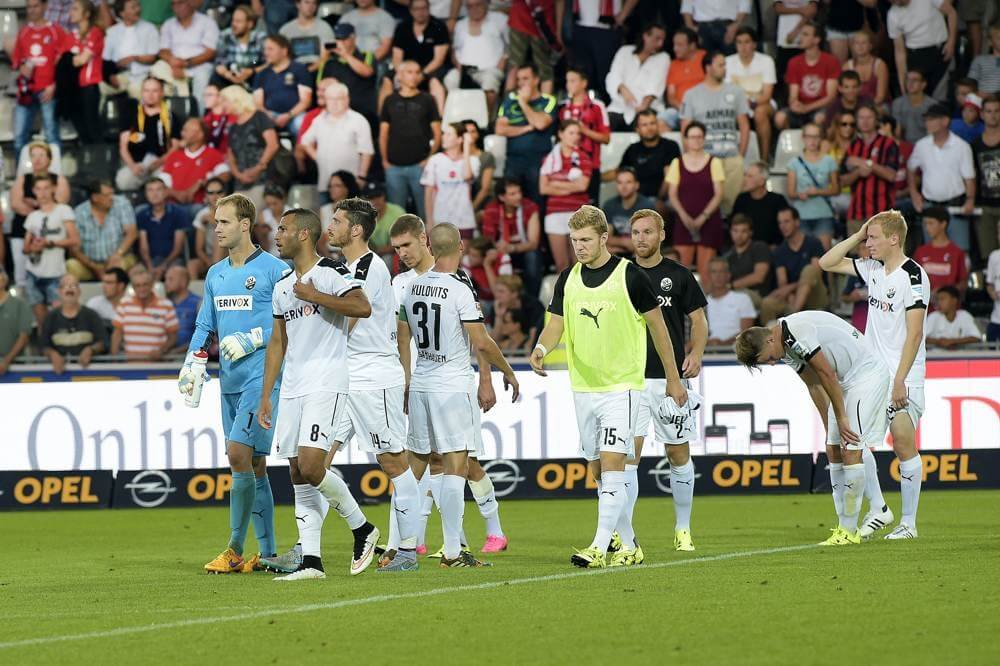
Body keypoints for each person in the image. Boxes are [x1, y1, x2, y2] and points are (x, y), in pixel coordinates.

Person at [530, 205, 687, 568]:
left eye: (586, 240)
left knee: (615, 463)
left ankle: (600, 547)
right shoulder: (567, 278)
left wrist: (673, 378)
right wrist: (540, 348)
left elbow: (658, 328)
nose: (579, 247)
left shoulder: (629, 275)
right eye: (574, 241)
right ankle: (630, 545)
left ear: (603, 238)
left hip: (623, 387)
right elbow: (556, 324)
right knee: (598, 470)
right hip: (584, 387)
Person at [255, 206, 380, 580]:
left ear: (304, 234)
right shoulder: (281, 287)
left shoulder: (330, 272)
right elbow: (278, 342)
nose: (276, 235)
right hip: (293, 387)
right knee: (297, 471)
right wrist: (267, 395)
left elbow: (362, 306)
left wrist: (315, 295)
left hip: (327, 381)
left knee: (312, 466)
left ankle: (362, 528)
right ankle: (312, 561)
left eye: (283, 229)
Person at [179, 193, 290, 573]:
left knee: (237, 455)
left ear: (245, 224)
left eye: (223, 221)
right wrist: (193, 360)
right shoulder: (216, 273)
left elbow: (291, 321)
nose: (217, 228)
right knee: (255, 464)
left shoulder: (276, 271)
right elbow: (205, 324)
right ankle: (270, 552)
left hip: (262, 379)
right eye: (215, 222)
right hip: (229, 380)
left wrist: (255, 338)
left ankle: (234, 549)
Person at [389, 214, 512, 555]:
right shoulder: (422, 284)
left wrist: (485, 379)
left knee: (430, 464)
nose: (403, 253)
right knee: (446, 463)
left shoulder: (419, 286)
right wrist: (508, 372)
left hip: (428, 383)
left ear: (426, 241)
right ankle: (444, 545)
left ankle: (422, 542)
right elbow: (481, 339)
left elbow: (404, 334)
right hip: (443, 384)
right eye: (397, 248)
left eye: (407, 245)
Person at [319, 198, 424, 573]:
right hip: (345, 377)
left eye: (337, 221)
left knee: (393, 462)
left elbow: (353, 314)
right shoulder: (343, 267)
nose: (329, 226)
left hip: (374, 377)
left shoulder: (369, 267)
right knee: (313, 464)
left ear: (357, 230)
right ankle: (347, 534)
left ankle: (408, 550)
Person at [735, 309, 893, 545]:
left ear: (769, 339)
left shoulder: (794, 333)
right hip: (846, 381)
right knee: (834, 449)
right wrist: (829, 425)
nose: (772, 362)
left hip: (866, 375)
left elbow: (826, 373)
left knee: (851, 447)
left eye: (767, 358)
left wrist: (841, 418)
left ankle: (849, 531)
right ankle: (858, 519)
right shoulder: (784, 346)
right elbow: (814, 385)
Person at [820, 210, 931, 539]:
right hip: (870, 374)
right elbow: (827, 262)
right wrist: (857, 235)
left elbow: (914, 334)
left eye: (873, 238)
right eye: (867, 238)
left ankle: (908, 524)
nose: (868, 244)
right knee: (856, 442)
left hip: (903, 375)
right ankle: (880, 509)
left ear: (894, 239)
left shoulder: (913, 276)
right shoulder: (872, 269)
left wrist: (900, 379)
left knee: (902, 442)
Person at [630, 208, 707, 552]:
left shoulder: (678, 275)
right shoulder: (621, 275)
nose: (641, 238)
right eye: (635, 232)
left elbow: (699, 320)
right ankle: (624, 533)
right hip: (629, 381)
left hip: (669, 379)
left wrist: (697, 352)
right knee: (626, 458)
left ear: (662, 235)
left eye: (647, 231)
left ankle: (683, 528)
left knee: (678, 454)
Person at [680, 50, 750, 213]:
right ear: (708, 67)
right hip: (704, 159)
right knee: (704, 207)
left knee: (732, 208)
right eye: (720, 65)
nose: (725, 68)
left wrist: (740, 155)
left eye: (725, 64)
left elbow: (744, 125)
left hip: (731, 158)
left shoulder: (736, 92)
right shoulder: (691, 95)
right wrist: (691, 159)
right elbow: (685, 129)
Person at [908, 103, 977, 253]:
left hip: (956, 206)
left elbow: (969, 178)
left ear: (945, 121)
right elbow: (911, 168)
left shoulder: (961, 146)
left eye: (932, 119)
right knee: (932, 252)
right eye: (926, 119)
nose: (927, 123)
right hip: (930, 206)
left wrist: (970, 200)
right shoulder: (921, 146)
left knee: (960, 253)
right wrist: (914, 194)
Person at [379, 61, 442, 220]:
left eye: (417, 72)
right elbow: (383, 133)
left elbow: (437, 133)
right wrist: (385, 161)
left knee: (426, 213)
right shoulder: (389, 100)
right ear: (399, 75)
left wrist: (428, 159)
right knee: (396, 217)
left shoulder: (428, 100)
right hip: (394, 167)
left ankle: (427, 244)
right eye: (409, 72)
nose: (414, 76)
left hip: (420, 165)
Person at [9, 143, 72, 289]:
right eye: (34, 155)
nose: (37, 159)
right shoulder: (22, 179)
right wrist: (40, 211)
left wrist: (33, 204)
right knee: (22, 272)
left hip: (52, 234)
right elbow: (16, 205)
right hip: (22, 230)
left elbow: (60, 204)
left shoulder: (59, 180)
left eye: (41, 155)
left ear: (50, 159)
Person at [666, 121, 725, 278]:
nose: (696, 140)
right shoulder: (677, 162)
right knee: (679, 272)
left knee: (707, 273)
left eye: (699, 136)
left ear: (704, 139)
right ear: (686, 139)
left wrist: (703, 217)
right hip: (684, 221)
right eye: (692, 137)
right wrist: (683, 216)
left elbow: (719, 193)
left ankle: (707, 303)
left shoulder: (715, 162)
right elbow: (672, 194)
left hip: (709, 221)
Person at [496, 63, 557, 206]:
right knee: (510, 202)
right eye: (518, 79)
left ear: (536, 80)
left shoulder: (548, 100)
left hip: (538, 161)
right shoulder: (509, 101)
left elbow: (541, 123)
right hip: (513, 160)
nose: (521, 83)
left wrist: (523, 102)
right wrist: (526, 129)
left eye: (525, 78)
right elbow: (500, 129)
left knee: (537, 203)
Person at [11, 0, 67, 157]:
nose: (32, 10)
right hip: (26, 91)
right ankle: (21, 179)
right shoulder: (23, 32)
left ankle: (55, 177)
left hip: (47, 90)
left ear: (44, 6)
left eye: (35, 6)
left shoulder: (55, 31)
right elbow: (17, 60)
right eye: (29, 6)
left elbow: (65, 63)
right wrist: (23, 67)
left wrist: (54, 86)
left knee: (52, 136)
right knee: (19, 137)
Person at [24, 174, 79, 330]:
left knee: (60, 322)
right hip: (33, 273)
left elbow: (75, 240)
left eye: (46, 188)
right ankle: (45, 352)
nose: (42, 193)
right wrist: (34, 247)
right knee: (42, 324)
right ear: (34, 190)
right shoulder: (32, 216)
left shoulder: (64, 210)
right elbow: (25, 248)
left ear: (54, 188)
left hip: (55, 274)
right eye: (39, 189)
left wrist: (50, 243)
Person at [300, 82, 375, 195]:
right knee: (325, 212)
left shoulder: (358, 120)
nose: (334, 103)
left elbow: (367, 151)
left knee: (350, 213)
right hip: (325, 184)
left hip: (350, 185)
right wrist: (317, 157)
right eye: (330, 99)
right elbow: (305, 141)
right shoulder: (319, 120)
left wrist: (362, 176)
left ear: (347, 99)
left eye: (338, 98)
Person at [540, 119, 594, 272]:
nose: (575, 137)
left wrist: (555, 184)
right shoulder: (549, 160)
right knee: (561, 265)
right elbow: (543, 188)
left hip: (577, 214)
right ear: (560, 134)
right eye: (571, 133)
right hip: (554, 214)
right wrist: (572, 187)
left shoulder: (584, 157)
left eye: (578, 133)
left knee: (579, 264)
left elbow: (583, 185)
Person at [759, 206, 828, 324]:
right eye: (780, 223)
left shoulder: (813, 243)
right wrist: (790, 293)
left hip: (815, 295)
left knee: (809, 270)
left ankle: (793, 317)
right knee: (767, 303)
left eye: (786, 221)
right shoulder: (780, 250)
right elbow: (782, 282)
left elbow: (816, 273)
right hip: (792, 298)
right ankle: (770, 340)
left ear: (797, 222)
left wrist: (789, 288)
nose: (783, 226)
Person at [842, 103, 901, 235]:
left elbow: (891, 175)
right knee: (856, 255)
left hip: (883, 214)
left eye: (869, 117)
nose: (865, 121)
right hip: (856, 214)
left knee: (884, 255)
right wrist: (858, 172)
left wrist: (868, 164)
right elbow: (843, 181)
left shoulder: (889, 143)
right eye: (861, 118)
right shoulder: (853, 145)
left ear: (876, 120)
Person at [116, 77, 182, 193]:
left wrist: (158, 163)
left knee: (169, 182)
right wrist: (132, 166)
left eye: (155, 91)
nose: (150, 95)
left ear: (162, 93)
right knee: (122, 181)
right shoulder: (131, 115)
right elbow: (123, 147)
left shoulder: (171, 117)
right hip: (137, 164)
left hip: (161, 164)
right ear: (141, 92)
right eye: (146, 91)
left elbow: (175, 147)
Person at [481, 178, 544, 296]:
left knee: (533, 256)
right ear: (502, 197)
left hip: (524, 249)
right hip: (501, 250)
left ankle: (532, 298)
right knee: (490, 255)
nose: (518, 197)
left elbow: (533, 243)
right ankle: (500, 297)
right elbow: (487, 239)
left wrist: (512, 248)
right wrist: (499, 247)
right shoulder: (491, 209)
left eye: (519, 192)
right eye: (512, 194)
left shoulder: (530, 207)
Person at [67, 179, 138, 280]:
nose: (111, 198)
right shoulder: (79, 213)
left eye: (112, 194)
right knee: (71, 265)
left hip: (119, 257)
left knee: (120, 265)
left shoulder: (121, 204)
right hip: (90, 265)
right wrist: (94, 267)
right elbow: (74, 249)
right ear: (95, 198)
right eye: (107, 195)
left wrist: (117, 254)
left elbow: (132, 233)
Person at [387, 0, 450, 115]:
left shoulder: (438, 26)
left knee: (435, 82)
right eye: (417, 9)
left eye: (424, 8)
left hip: (431, 68)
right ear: (411, 11)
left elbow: (439, 59)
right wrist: (402, 73)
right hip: (406, 68)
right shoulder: (402, 27)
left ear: (429, 8)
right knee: (387, 79)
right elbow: (397, 57)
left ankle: (438, 119)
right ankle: (384, 120)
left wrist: (422, 74)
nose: (421, 12)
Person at [775, 22, 840, 131]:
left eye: (805, 34)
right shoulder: (794, 62)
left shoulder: (831, 61)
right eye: (801, 34)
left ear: (816, 40)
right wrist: (794, 103)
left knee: (820, 118)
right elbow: (793, 95)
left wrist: (807, 108)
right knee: (780, 118)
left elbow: (831, 97)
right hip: (802, 107)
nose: (801, 37)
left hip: (821, 107)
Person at [558, 67, 610, 203]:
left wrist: (584, 130)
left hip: (592, 165)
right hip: (567, 166)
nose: (569, 84)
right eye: (567, 81)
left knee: (591, 212)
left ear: (584, 83)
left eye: (573, 81)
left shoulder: (597, 106)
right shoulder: (563, 108)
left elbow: (606, 138)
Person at [157, 118, 231, 214]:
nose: (182, 134)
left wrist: (201, 183)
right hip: (173, 206)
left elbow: (226, 175)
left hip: (200, 206)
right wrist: (177, 194)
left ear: (200, 135)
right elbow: (160, 184)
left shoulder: (213, 154)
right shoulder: (174, 156)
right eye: (183, 130)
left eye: (186, 130)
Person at [222, 84, 280, 207]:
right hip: (240, 184)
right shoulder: (233, 127)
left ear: (235, 99)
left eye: (225, 101)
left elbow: (273, 145)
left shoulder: (259, 117)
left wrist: (257, 168)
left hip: (262, 181)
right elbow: (230, 155)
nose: (222, 105)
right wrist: (239, 175)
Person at [444, 0, 508, 110]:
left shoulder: (500, 19)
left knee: (490, 82)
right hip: (464, 69)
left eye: (478, 4)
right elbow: (454, 50)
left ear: (486, 4)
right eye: (470, 6)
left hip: (490, 69)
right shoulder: (460, 24)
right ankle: (458, 118)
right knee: (450, 80)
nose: (474, 9)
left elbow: (509, 47)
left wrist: (501, 65)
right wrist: (459, 67)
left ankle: (486, 122)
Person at [605, 22, 669, 131]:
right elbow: (613, 76)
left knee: (646, 124)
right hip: (619, 107)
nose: (660, 44)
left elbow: (655, 88)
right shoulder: (625, 51)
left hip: (648, 109)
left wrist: (642, 109)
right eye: (657, 39)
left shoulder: (663, 57)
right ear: (645, 36)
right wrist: (624, 90)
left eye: (662, 40)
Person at [725, 27, 777, 162]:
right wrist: (742, 104)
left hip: (761, 103)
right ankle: (734, 159)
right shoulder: (728, 62)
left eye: (746, 42)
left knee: (760, 113)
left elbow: (767, 94)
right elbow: (728, 93)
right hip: (737, 105)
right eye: (739, 42)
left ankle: (764, 159)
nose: (743, 46)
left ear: (754, 44)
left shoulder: (766, 61)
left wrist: (751, 103)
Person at [887, 0, 957, 98]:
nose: (896, 2)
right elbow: (899, 51)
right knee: (918, 98)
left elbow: (951, 13)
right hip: (915, 57)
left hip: (940, 51)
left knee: (942, 97)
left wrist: (951, 42)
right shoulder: (892, 14)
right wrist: (902, 82)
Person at [787, 121, 840, 249]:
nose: (813, 141)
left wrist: (817, 192)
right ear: (803, 138)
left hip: (823, 213)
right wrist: (801, 194)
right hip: (801, 215)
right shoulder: (794, 162)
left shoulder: (829, 161)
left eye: (816, 137)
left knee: (825, 256)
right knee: (804, 256)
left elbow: (836, 189)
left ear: (820, 138)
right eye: (809, 136)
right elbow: (791, 193)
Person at [421, 123, 480, 237]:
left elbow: (467, 176)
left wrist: (467, 147)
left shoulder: (473, 160)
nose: (444, 137)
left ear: (459, 139)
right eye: (444, 134)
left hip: (464, 220)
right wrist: (429, 221)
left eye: (449, 134)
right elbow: (428, 193)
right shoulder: (435, 160)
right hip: (440, 220)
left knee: (464, 254)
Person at [41, 273, 105, 372]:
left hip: (88, 373)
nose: (70, 289)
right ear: (59, 292)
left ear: (79, 291)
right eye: (65, 286)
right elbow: (44, 346)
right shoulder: (50, 317)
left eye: (74, 286)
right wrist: (52, 354)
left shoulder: (91, 315)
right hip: (59, 374)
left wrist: (91, 350)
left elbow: (102, 342)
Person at [155, 0, 219, 101]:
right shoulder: (168, 24)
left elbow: (210, 53)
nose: (176, 7)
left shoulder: (207, 23)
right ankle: (163, 113)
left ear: (189, 3)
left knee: (202, 78)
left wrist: (185, 63)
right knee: (156, 70)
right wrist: (173, 62)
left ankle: (197, 115)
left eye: (180, 3)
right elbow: (163, 51)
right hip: (173, 65)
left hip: (197, 66)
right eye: (173, 4)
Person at [253, 34, 312, 139]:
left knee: (301, 124)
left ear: (284, 51)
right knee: (255, 125)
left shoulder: (300, 69)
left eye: (270, 49)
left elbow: (306, 101)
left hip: (294, 115)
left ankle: (300, 155)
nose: (266, 53)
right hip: (269, 116)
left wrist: (288, 115)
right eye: (265, 49)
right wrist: (268, 115)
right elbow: (258, 104)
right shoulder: (262, 74)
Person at [111, 267, 178, 359]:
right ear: (133, 287)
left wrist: (161, 350)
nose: (141, 288)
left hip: (156, 364)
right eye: (137, 285)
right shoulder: (124, 304)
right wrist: (114, 359)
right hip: (130, 364)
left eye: (145, 285)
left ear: (151, 285)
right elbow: (117, 334)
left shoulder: (166, 305)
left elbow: (173, 337)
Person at [61, 0, 104, 144]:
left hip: (90, 86)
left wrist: (71, 59)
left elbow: (81, 60)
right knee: (81, 130)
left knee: (93, 128)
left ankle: (101, 162)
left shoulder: (95, 32)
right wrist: (71, 59)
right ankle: (88, 161)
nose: (70, 12)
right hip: (74, 88)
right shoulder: (71, 35)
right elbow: (64, 60)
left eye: (75, 9)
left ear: (86, 14)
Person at [317, 23, 377, 122]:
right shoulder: (329, 61)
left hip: (362, 111)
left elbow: (367, 72)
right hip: (334, 110)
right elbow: (320, 85)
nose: (340, 42)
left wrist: (345, 54)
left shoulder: (366, 55)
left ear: (353, 38)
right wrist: (324, 57)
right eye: (337, 39)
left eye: (343, 39)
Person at [619, 109, 681, 201]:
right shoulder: (632, 149)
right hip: (637, 199)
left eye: (652, 123)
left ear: (658, 125)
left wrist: (659, 200)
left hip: (665, 198)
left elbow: (669, 178)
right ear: (637, 129)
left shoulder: (671, 146)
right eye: (644, 125)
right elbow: (621, 172)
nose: (649, 128)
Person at [103, 0, 159, 99]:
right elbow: (106, 59)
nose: (138, 10)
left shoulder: (149, 28)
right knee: (101, 87)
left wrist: (134, 58)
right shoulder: (112, 32)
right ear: (122, 13)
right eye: (133, 7)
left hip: (143, 74)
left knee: (136, 90)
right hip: (120, 74)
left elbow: (153, 57)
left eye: (138, 6)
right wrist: (109, 76)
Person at [505, 0, 562, 95]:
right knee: (514, 66)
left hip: (542, 21)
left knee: (544, 68)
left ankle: (546, 105)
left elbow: (560, 2)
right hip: (520, 18)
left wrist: (559, 31)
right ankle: (508, 106)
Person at [137, 178, 188, 281]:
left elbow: (178, 247)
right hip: (150, 260)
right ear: (146, 194)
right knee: (138, 274)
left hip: (173, 260)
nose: (154, 194)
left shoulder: (178, 213)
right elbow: (144, 247)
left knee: (174, 274)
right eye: (150, 190)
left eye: (158, 189)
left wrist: (163, 266)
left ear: (165, 192)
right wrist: (150, 266)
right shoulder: (142, 215)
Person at [913, 206, 968, 297]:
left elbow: (963, 283)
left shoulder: (957, 252)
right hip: (925, 308)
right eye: (925, 224)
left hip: (949, 309)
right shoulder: (920, 252)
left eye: (931, 223)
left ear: (943, 224)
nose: (927, 228)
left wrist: (944, 293)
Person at [211, 4, 266, 89]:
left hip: (252, 71)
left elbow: (266, 62)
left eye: (238, 21)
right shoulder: (225, 36)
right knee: (215, 77)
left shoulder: (260, 38)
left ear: (250, 24)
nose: (234, 24)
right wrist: (228, 75)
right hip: (229, 74)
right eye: (233, 20)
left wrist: (251, 71)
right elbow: (219, 63)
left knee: (258, 66)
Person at [704, 257, 756, 345]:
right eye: (714, 272)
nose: (718, 275)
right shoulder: (702, 303)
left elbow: (746, 333)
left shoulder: (742, 299)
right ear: (709, 276)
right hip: (708, 350)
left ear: (728, 275)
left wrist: (722, 344)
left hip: (735, 350)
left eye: (721, 271)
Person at [602, 168, 654, 255]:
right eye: (620, 182)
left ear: (636, 185)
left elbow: (647, 240)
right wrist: (624, 242)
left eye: (628, 182)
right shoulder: (609, 205)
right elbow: (606, 238)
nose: (624, 186)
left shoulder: (646, 207)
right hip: (617, 249)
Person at [973, 97, 1000, 264]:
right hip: (985, 206)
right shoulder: (974, 144)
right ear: (982, 114)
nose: (993, 115)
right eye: (989, 111)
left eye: (997, 111)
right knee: (988, 256)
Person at [724, 214, 773, 301]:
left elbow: (759, 277)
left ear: (750, 232)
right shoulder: (728, 255)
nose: (739, 235)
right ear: (730, 232)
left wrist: (731, 286)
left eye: (743, 231)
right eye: (735, 231)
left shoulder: (759, 247)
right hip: (734, 293)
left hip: (758, 294)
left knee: (736, 297)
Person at [491, 274, 544, 353]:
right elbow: (495, 340)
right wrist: (499, 317)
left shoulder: (533, 305)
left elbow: (535, 332)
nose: (497, 296)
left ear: (514, 293)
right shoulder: (497, 307)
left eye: (501, 292)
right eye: (496, 291)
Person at [665, 27, 706, 129]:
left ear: (692, 46)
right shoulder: (673, 65)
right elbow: (671, 97)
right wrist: (685, 109)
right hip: (680, 109)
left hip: (705, 108)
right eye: (674, 44)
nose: (675, 49)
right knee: (663, 119)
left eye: (679, 45)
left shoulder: (706, 58)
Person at [279, 0, 335, 72]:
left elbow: (326, 57)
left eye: (314, 3)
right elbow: (280, 56)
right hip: (292, 70)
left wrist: (307, 71)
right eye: (307, 2)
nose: (310, 6)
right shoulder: (285, 30)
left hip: (319, 69)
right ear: (298, 4)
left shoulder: (326, 27)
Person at [773, 0, 818, 85]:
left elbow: (812, 10)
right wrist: (800, 10)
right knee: (785, 75)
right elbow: (778, 9)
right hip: (785, 39)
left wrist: (796, 31)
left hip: (806, 38)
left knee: (805, 74)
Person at [337, 0, 394, 66]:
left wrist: (367, 64)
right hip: (347, 63)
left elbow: (385, 47)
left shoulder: (385, 17)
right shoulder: (346, 17)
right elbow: (339, 42)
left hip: (374, 65)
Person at [189, 178, 226, 279]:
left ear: (225, 194)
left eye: (219, 192)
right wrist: (210, 264)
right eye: (211, 193)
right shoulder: (202, 214)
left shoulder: (232, 212)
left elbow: (232, 238)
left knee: (220, 238)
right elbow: (199, 249)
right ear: (206, 195)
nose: (215, 196)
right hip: (209, 259)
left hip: (229, 256)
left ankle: (216, 285)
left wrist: (214, 223)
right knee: (192, 265)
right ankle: (196, 294)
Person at [680, 0, 748, 55]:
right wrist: (691, 30)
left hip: (729, 27)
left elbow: (745, 3)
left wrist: (736, 25)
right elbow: (687, 4)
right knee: (703, 64)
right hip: (702, 28)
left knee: (731, 62)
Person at [0, 268, 34, 375]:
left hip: (16, 367)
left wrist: (6, 361)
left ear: (5, 279)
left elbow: (24, 337)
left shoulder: (20, 304)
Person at [890, 68, 938, 145]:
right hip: (904, 146)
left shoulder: (932, 105)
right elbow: (897, 131)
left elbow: (934, 132)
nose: (910, 83)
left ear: (923, 84)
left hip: (926, 146)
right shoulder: (897, 103)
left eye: (915, 80)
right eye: (908, 80)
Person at [844, 29, 889, 107]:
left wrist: (865, 109)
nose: (860, 46)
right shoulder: (847, 66)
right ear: (853, 46)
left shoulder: (880, 65)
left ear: (870, 46)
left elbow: (880, 97)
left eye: (863, 43)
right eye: (857, 43)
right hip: (855, 106)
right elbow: (845, 94)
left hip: (877, 105)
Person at [361, 181, 404, 258]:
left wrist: (376, 251)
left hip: (395, 254)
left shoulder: (398, 212)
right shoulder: (361, 215)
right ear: (364, 200)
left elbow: (402, 242)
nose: (375, 200)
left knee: (387, 258)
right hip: (368, 254)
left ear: (384, 195)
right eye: (371, 198)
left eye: (378, 196)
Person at [164, 264, 200, 350]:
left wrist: (177, 351)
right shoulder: (163, 303)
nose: (166, 283)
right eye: (165, 279)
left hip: (189, 356)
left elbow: (201, 336)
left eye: (170, 279)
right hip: (163, 356)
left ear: (183, 281)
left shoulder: (198, 304)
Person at [463, 121, 496, 213]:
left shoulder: (486, 156)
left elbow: (485, 189)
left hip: (480, 204)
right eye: (466, 131)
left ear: (477, 134)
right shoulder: (455, 157)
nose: (469, 135)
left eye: (473, 131)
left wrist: (471, 211)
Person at [203, 83, 236, 154]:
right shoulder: (206, 119)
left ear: (220, 97)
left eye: (209, 95)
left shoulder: (231, 116)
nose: (205, 98)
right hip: (210, 157)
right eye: (204, 95)